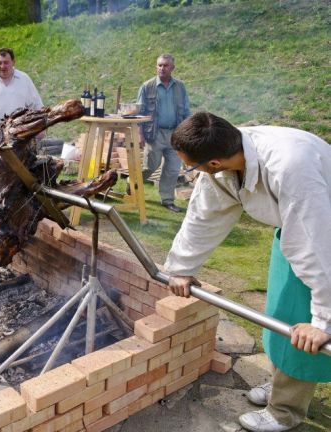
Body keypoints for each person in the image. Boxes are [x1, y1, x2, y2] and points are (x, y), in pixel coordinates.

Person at [165, 112, 331, 432]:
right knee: (279, 315)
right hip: (294, 230)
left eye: (191, 167)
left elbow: (316, 246)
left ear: (213, 162)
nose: (192, 172)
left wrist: (325, 319)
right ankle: (280, 383)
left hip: (324, 237)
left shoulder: (290, 166)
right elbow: (204, 215)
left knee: (303, 330)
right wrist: (181, 269)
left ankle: (284, 411)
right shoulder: (227, 155)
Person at [135, 53, 191, 213]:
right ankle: (133, 186)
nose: (162, 68)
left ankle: (167, 200)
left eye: (166, 65)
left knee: (173, 168)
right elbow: (140, 112)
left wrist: (187, 133)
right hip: (155, 133)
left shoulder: (180, 86)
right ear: (156, 67)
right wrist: (140, 134)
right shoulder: (147, 86)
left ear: (172, 68)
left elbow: (186, 111)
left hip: (176, 133)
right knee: (150, 166)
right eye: (159, 65)